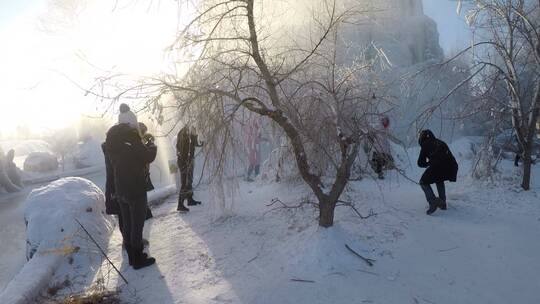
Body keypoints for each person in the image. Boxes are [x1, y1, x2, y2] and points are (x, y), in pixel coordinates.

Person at [103, 103, 156, 269]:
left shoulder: (112, 141)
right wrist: (151, 143)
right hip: (136, 188)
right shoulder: (132, 137)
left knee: (127, 223)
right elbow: (148, 156)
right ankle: (138, 258)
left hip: (120, 189)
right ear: (132, 122)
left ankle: (132, 256)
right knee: (137, 225)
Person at [417, 129, 458, 215]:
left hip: (438, 165)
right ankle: (442, 203)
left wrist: (428, 163)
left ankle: (433, 202)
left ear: (422, 139)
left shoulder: (425, 144)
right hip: (451, 166)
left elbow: (420, 163)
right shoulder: (439, 142)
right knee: (439, 179)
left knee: (423, 182)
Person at [176, 124, 203, 212]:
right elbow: (180, 148)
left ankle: (190, 200)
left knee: (189, 181)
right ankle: (180, 204)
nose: (195, 130)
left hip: (190, 160)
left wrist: (201, 140)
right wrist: (185, 161)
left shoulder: (191, 132)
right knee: (184, 182)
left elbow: (196, 144)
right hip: (184, 162)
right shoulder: (183, 133)